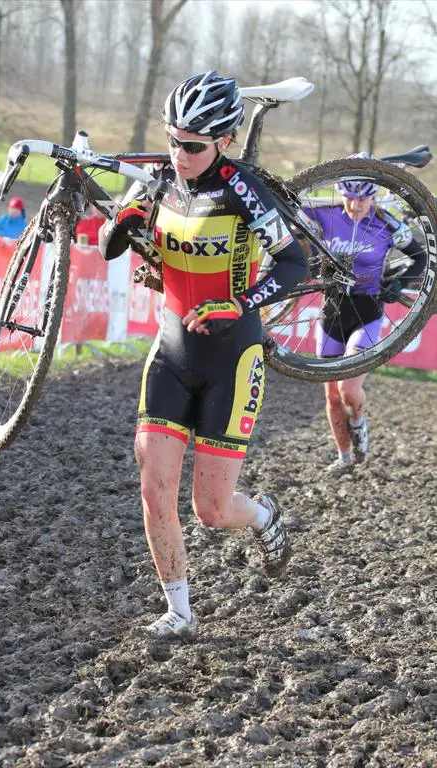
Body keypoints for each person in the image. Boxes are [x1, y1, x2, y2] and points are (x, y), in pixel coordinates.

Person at [99, 70, 309, 639]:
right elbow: (108, 247)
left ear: (224, 141)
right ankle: (179, 610)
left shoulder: (243, 189)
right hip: (170, 350)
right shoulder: (158, 180)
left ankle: (263, 514)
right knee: (152, 481)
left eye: (193, 145)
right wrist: (123, 222)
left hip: (232, 360)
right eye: (172, 139)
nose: (179, 153)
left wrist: (239, 304)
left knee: (212, 512)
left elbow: (296, 265)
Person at [302, 180, 426, 475]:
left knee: (348, 390)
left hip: (368, 311)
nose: (355, 205)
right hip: (331, 313)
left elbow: (420, 257)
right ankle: (345, 458)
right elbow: (289, 208)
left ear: (373, 198)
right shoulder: (327, 213)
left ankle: (359, 423)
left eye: (362, 200)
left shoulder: (385, 221)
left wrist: (400, 283)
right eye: (350, 198)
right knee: (331, 396)